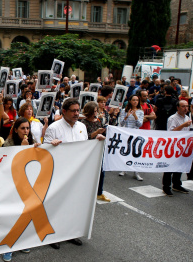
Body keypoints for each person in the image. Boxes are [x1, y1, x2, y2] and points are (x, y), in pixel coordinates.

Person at [44, 98, 105, 249]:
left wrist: (97, 141)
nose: (77, 113)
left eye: (78, 110)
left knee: (73, 205)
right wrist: (51, 145)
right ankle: (53, 236)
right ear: (64, 111)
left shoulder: (82, 127)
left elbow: (85, 147)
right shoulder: (54, 128)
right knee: (56, 205)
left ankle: (70, 233)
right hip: (59, 174)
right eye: (73, 111)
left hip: (77, 174)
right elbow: (44, 151)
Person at [80, 102, 110, 202]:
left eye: (97, 111)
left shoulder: (98, 121)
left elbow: (103, 131)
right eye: (95, 111)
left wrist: (103, 131)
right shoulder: (83, 123)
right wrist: (96, 133)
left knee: (101, 171)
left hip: (99, 149)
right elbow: (86, 137)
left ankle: (99, 192)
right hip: (89, 150)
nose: (96, 113)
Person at [162, 100, 192, 195]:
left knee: (179, 166)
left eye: (187, 106)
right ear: (178, 107)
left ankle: (177, 184)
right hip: (173, 146)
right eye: (183, 106)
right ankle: (166, 186)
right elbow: (171, 132)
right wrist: (183, 125)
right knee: (170, 167)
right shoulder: (173, 118)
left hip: (183, 146)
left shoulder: (187, 117)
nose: (186, 108)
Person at [118, 95, 144, 181]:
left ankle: (136, 172)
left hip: (136, 133)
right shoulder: (124, 111)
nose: (135, 102)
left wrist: (135, 116)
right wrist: (127, 116)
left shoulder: (140, 112)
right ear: (130, 101)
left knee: (135, 152)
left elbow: (139, 124)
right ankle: (124, 169)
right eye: (133, 100)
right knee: (126, 151)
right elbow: (121, 123)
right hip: (127, 133)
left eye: (137, 100)